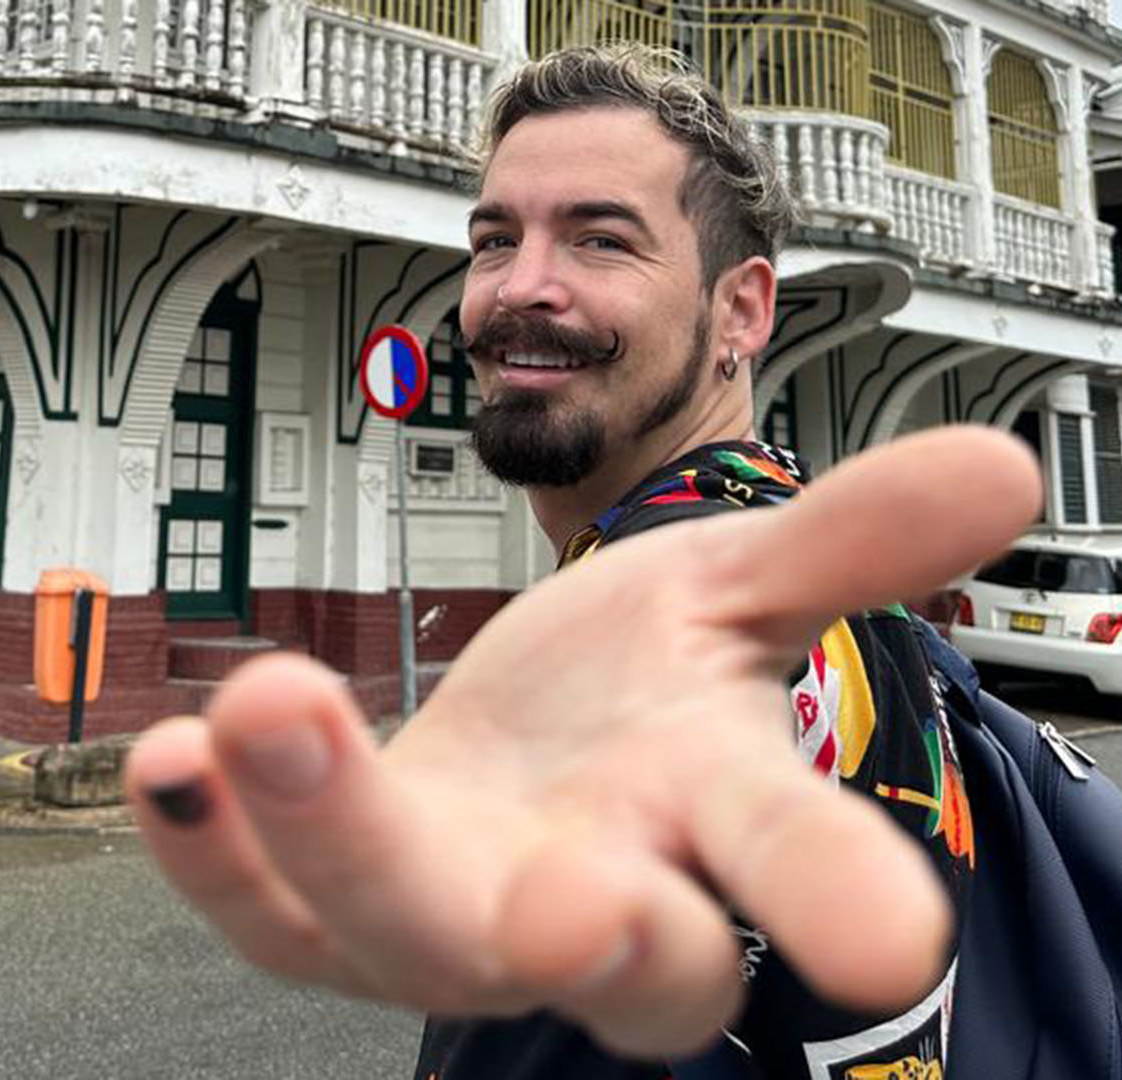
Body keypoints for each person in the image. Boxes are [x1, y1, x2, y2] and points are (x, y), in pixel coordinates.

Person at [122, 43, 1043, 1078]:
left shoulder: (755, 606)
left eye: (600, 240)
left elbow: (735, 682)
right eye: (493, 239)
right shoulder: (762, 542)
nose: (522, 287)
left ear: (740, 309)